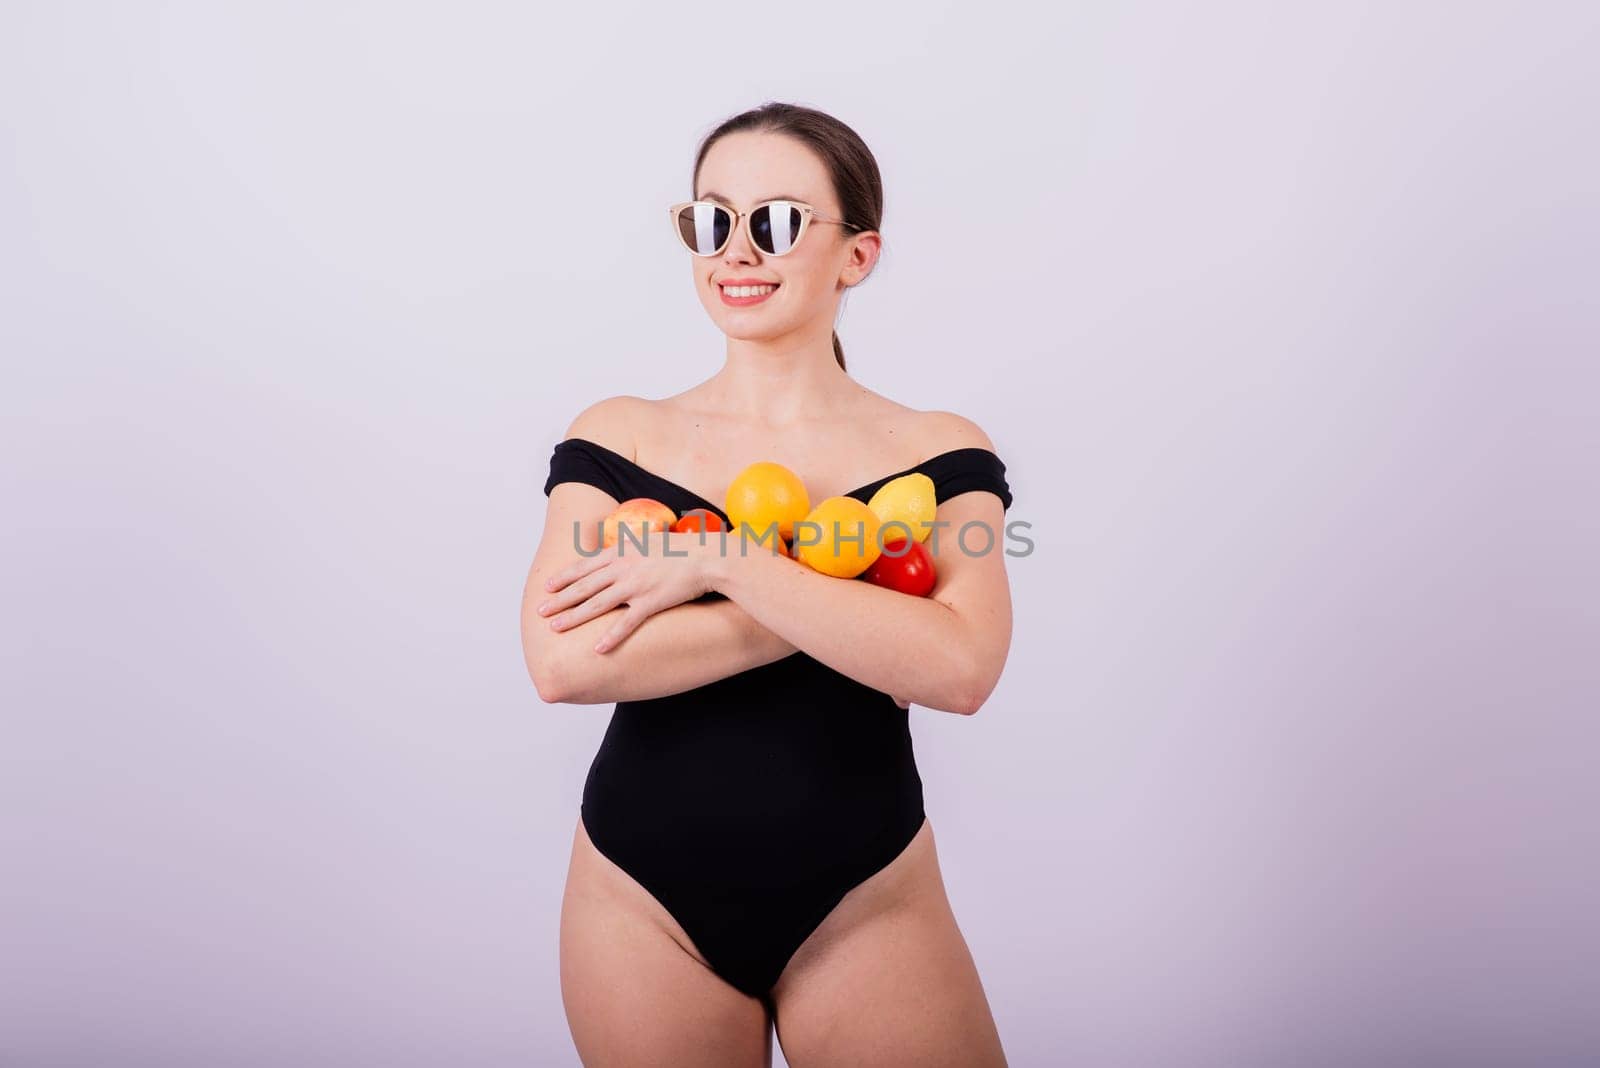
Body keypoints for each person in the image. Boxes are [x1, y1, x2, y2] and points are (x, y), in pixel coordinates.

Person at [521, 102, 1014, 1067]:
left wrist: (721, 562)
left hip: (867, 897)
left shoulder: (941, 449)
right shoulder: (620, 435)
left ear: (857, 256)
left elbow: (960, 670)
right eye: (712, 220)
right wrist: (848, 597)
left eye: (778, 222)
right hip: (641, 898)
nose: (737, 251)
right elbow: (564, 663)